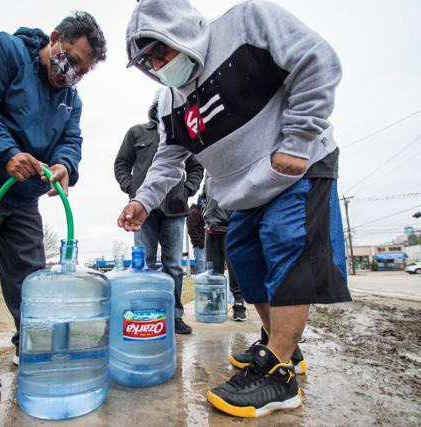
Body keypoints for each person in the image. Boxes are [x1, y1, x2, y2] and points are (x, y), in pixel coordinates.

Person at [118, 0, 350, 418]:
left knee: (288, 250)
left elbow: (317, 60)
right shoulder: (171, 100)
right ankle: (282, 346)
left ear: (180, 32)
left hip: (297, 168)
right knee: (244, 260)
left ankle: (279, 376)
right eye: (147, 61)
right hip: (245, 193)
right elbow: (169, 159)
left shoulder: (247, 23)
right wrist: (142, 200)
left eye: (159, 52)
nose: (156, 66)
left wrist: (298, 139)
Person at [0, 11, 106, 397]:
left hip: (24, 194)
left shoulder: (70, 99)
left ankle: (31, 343)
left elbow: (71, 139)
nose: (73, 75)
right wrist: (5, 152)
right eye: (73, 61)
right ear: (55, 38)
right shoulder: (0, 50)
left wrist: (65, 164)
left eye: (83, 72)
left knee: (31, 277)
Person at [114, 91, 204, 334]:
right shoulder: (136, 133)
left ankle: (174, 316)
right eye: (158, 107)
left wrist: (187, 190)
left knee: (173, 265)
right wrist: (131, 188)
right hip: (143, 210)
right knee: (144, 263)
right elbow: (121, 164)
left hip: (175, 210)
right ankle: (145, 316)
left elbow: (196, 167)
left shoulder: (182, 132)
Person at [202, 175, 247, 321]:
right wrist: (205, 213)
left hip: (230, 229)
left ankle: (239, 305)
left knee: (235, 270)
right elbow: (203, 197)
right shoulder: (208, 173)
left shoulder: (232, 168)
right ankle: (214, 304)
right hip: (211, 229)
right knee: (213, 270)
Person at [186, 195, 206, 275]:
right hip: (200, 247)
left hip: (202, 246)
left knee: (204, 272)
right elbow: (192, 229)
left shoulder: (199, 212)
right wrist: (200, 244)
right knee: (201, 272)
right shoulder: (195, 212)